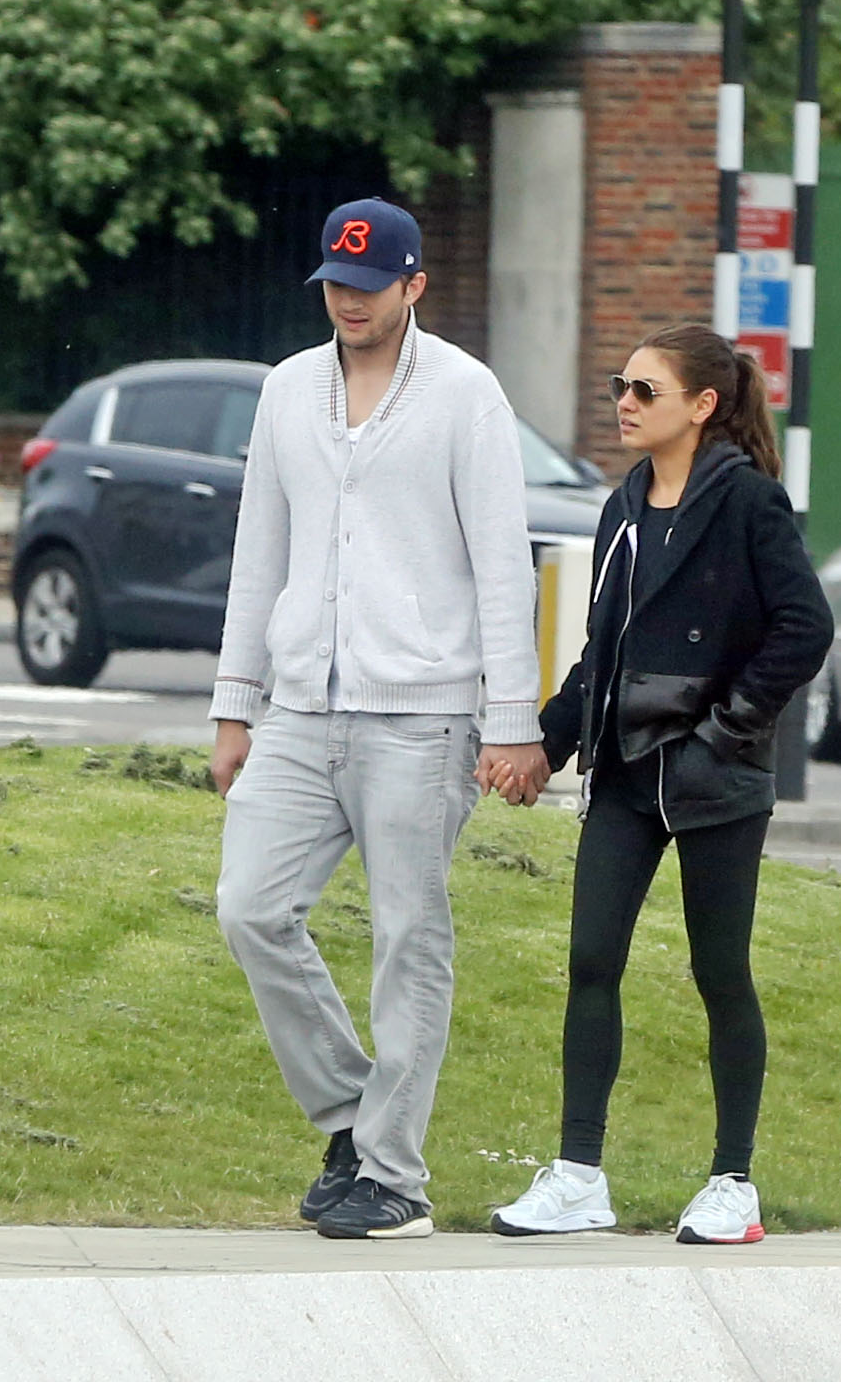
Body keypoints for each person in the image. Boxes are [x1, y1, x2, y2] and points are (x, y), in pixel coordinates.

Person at [210, 196, 548, 1241]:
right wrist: (234, 704)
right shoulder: (283, 390)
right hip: (302, 708)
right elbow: (258, 548)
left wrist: (510, 718)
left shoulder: (465, 395)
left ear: (413, 285)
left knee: (410, 935)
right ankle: (354, 1117)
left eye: (368, 284)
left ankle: (392, 1177)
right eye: (333, 284)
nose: (347, 300)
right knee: (249, 908)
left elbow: (503, 563)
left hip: (424, 716)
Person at [488, 322, 833, 1244]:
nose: (625, 405)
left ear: (702, 406)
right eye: (620, 387)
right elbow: (603, 651)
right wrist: (542, 745)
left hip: (715, 777)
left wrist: (724, 732)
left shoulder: (752, 505)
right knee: (591, 961)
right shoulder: (624, 507)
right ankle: (577, 1174)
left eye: (645, 391)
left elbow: (805, 629)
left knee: (720, 971)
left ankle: (733, 1183)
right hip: (629, 774)